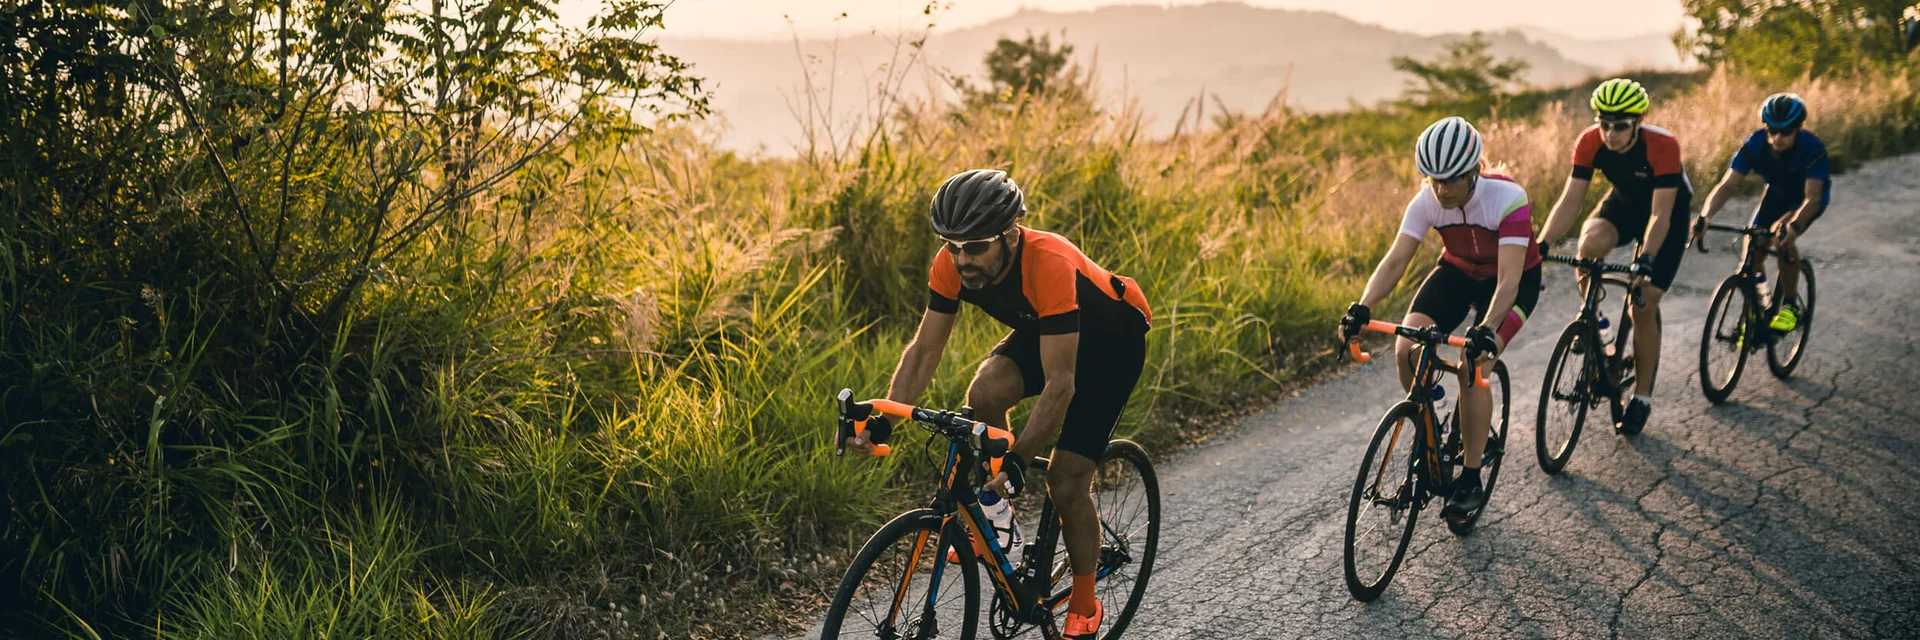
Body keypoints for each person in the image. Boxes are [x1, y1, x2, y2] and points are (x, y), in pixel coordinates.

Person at [841, 169, 1151, 639]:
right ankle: (998, 517)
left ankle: (1085, 606)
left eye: (975, 246)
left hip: (1112, 344)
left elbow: (1061, 383)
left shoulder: (1046, 261)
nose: (962, 258)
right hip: (1049, 328)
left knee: (1066, 481)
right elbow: (924, 351)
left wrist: (1023, 460)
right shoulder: (952, 263)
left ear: (1010, 233)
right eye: (952, 245)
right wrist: (882, 423)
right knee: (985, 391)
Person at [1340, 116, 1542, 521]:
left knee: (1474, 364)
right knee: (1407, 350)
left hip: (1510, 282)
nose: (1442, 189)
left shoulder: (1508, 199)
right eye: (1433, 180)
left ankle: (1470, 477)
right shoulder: (1427, 201)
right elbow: (1396, 260)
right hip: (1456, 272)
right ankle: (1431, 428)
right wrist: (1362, 307)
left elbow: (1508, 281)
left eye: (1451, 180)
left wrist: (1485, 331)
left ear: (1474, 171)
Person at [1535, 77, 1691, 435]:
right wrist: (1542, 245)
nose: (1610, 133)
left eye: (1619, 126)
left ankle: (1642, 398)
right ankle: (1597, 327)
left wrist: (1647, 258)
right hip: (1625, 204)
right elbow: (1571, 200)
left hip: (1667, 214)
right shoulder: (1590, 142)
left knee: (1643, 305)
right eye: (1603, 123)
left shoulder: (1663, 145)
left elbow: (1661, 215)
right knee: (1588, 245)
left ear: (1638, 122)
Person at [1692, 93, 1829, 332]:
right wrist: (1706, 215)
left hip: (1805, 201)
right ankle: (1761, 309)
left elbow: (1812, 198)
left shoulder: (1812, 148)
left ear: (1798, 128)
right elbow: (1728, 185)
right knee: (1751, 252)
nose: (1776, 138)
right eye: (1772, 130)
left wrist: (1794, 227)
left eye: (1785, 132)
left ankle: (1790, 306)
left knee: (1780, 237)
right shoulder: (1755, 143)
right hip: (1775, 194)